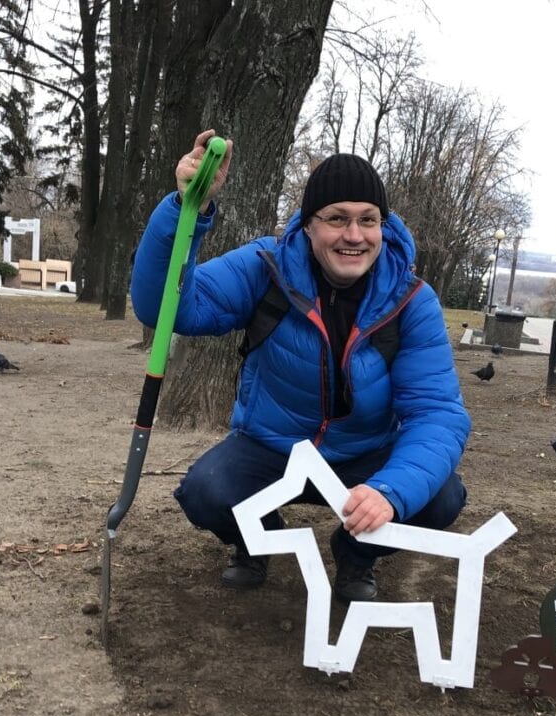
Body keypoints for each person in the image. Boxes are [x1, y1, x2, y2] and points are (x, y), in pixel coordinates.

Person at [130, 129, 471, 603]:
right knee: (205, 493)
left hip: (365, 454)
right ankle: (257, 539)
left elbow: (437, 412)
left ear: (383, 227)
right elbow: (165, 308)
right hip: (271, 447)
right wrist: (185, 212)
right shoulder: (263, 267)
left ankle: (356, 553)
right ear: (309, 225)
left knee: (440, 497)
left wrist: (390, 491)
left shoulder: (411, 299)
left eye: (368, 220)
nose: (354, 235)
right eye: (336, 219)